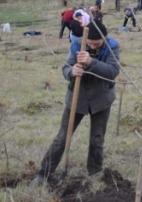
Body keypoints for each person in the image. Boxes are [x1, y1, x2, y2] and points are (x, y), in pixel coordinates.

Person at [30, 22, 120, 186]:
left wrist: (92, 62)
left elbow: (113, 72)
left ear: (104, 39)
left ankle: (94, 173)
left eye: (97, 44)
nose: (92, 46)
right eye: (90, 43)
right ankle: (43, 173)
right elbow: (66, 68)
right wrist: (72, 72)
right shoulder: (77, 44)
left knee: (97, 138)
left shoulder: (112, 46)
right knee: (62, 137)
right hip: (77, 97)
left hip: (101, 99)